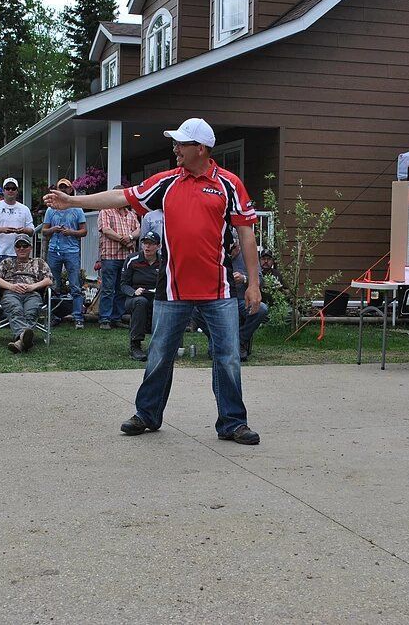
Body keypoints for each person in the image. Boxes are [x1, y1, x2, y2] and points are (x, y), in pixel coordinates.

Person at [44, 117, 262, 445]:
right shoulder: (167, 182)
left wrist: (255, 284)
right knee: (160, 352)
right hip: (171, 290)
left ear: (200, 148)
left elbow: (246, 233)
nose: (175, 149)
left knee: (228, 355)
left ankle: (232, 422)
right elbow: (120, 198)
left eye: (181, 144)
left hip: (218, 291)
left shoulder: (229, 184)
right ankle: (147, 415)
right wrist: (73, 201)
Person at [193, 231, 269, 361]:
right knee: (194, 310)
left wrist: (244, 279)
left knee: (261, 309)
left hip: (241, 300)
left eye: (232, 249)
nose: (229, 252)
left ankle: (239, 341)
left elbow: (260, 280)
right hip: (219, 299)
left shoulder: (248, 257)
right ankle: (216, 338)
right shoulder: (215, 255)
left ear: (238, 245)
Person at [0, 233, 52, 353]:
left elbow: (48, 280)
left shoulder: (39, 262)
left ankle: (20, 341)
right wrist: (12, 286)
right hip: (11, 293)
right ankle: (23, 338)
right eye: (18, 246)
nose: (21, 248)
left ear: (30, 248)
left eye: (25, 246)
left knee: (31, 312)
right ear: (15, 248)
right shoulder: (7, 262)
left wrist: (32, 287)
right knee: (15, 309)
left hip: (32, 293)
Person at [42, 177, 87, 329]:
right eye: (60, 188)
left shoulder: (77, 209)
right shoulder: (51, 209)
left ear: (70, 190)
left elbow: (84, 231)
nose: (62, 190)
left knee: (75, 285)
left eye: (65, 188)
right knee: (53, 285)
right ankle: (54, 315)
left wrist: (71, 232)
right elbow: (44, 231)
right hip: (54, 250)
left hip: (71, 251)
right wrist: (53, 229)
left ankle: (78, 316)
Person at [97, 185, 140, 330]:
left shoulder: (131, 214)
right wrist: (123, 239)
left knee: (121, 288)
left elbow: (138, 230)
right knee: (108, 288)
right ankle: (105, 319)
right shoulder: (106, 211)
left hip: (126, 257)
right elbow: (106, 230)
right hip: (110, 256)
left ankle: (117, 317)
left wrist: (129, 237)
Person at [121, 231, 162, 361]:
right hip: (135, 298)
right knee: (141, 302)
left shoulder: (164, 262)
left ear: (158, 246)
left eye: (151, 244)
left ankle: (164, 345)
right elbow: (123, 285)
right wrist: (133, 292)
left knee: (168, 304)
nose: (147, 247)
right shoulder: (132, 260)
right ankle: (135, 345)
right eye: (145, 243)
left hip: (157, 296)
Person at [0, 177, 34, 275]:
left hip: (19, 254)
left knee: (18, 284)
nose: (10, 190)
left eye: (13, 188)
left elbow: (31, 231)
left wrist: (23, 230)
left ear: (17, 191)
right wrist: (2, 230)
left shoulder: (24, 209)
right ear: (3, 191)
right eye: (7, 188)